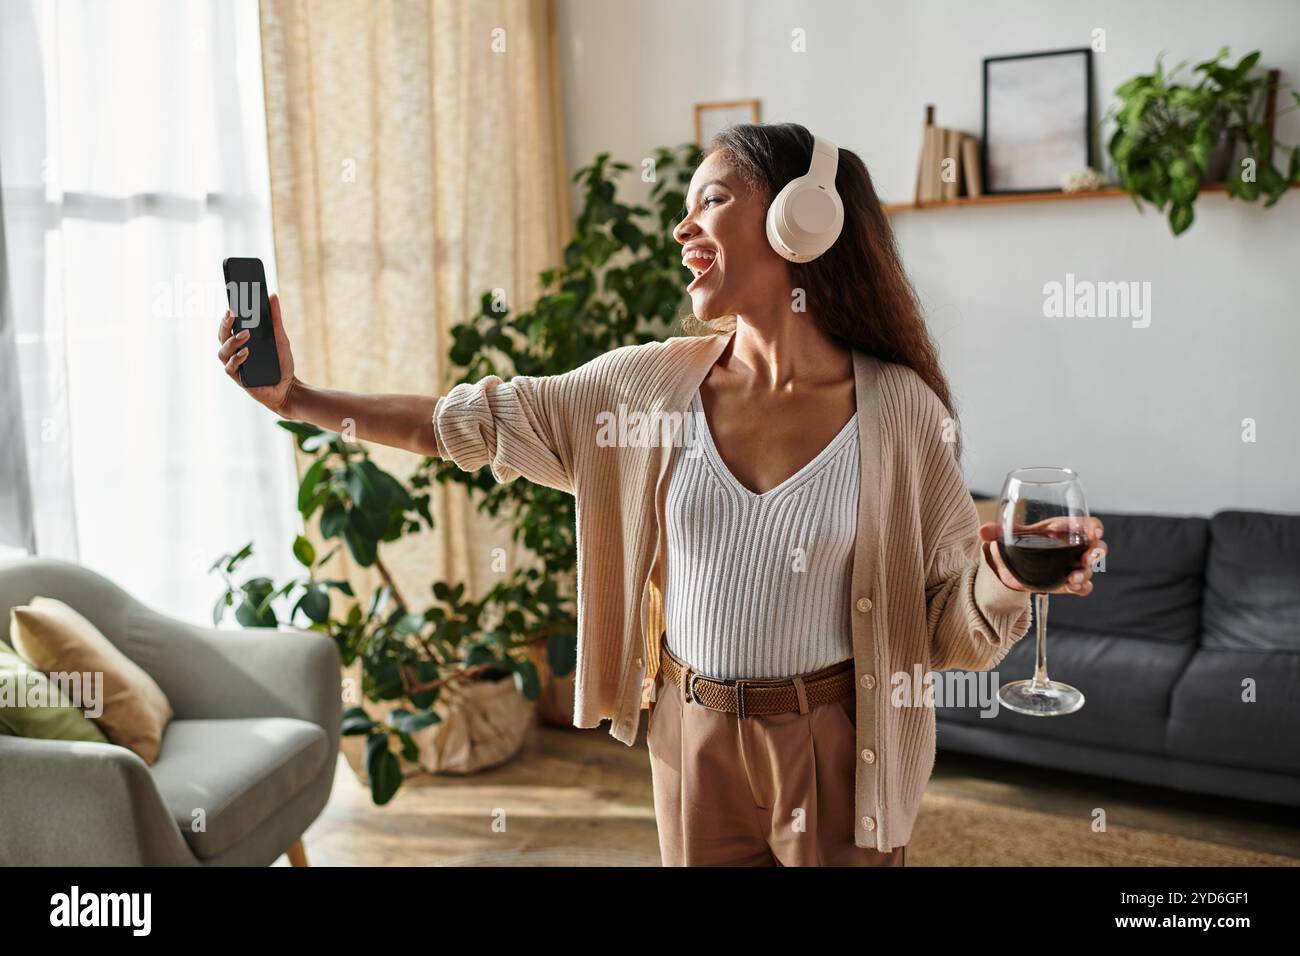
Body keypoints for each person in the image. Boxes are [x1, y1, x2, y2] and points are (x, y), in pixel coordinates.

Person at [216, 122, 1106, 867]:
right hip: (691, 733)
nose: (683, 227)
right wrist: (301, 400)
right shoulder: (638, 391)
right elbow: (470, 422)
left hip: (837, 739)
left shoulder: (902, 411)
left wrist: (1009, 580)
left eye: (711, 198)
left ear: (803, 217)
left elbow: (949, 627)